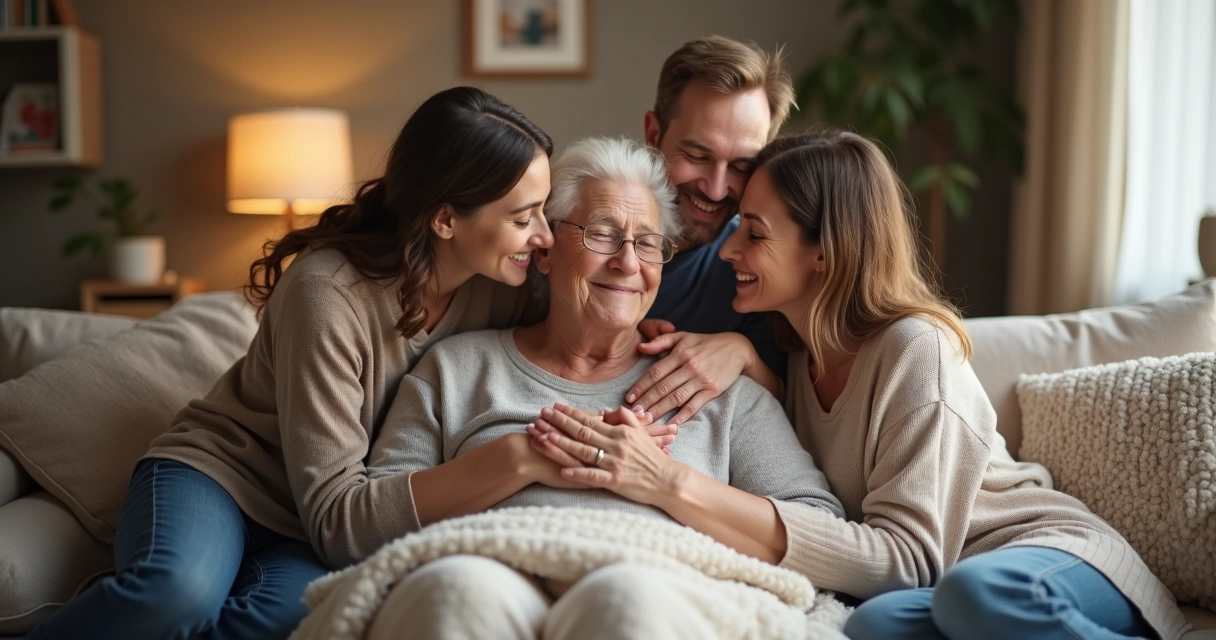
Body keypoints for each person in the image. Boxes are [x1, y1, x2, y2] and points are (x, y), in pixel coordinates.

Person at [538, 128, 1190, 640]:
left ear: (824, 252)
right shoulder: (793, 356)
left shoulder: (913, 349)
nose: (729, 251)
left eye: (754, 234)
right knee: (870, 626)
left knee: (979, 595)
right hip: (945, 591)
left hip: (1049, 559)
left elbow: (908, 560)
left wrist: (669, 483)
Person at [27, 86, 558, 640]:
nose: (543, 235)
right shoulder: (327, 293)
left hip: (302, 531)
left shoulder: (503, 287)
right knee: (173, 596)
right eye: (525, 218)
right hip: (225, 479)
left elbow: (593, 317)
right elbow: (338, 521)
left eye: (544, 211)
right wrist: (512, 461)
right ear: (445, 220)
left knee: (291, 619)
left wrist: (654, 338)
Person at [362, 136, 843, 640]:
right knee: (459, 591)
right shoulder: (456, 369)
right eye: (602, 234)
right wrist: (526, 455)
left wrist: (662, 479)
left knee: (624, 599)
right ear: (545, 251)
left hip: (656, 589)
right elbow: (370, 521)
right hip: (487, 575)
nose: (628, 263)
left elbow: (817, 529)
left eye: (648, 243)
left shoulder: (714, 388)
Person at [623, 35, 797, 426]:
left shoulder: (757, 265)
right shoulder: (565, 237)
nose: (716, 189)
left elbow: (793, 411)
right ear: (653, 134)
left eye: (740, 166)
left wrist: (742, 353)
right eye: (698, 156)